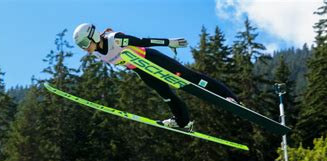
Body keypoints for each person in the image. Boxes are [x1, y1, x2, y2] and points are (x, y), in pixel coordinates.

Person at [73, 23, 239, 129]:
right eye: (81, 46)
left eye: (85, 43)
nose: (85, 48)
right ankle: (182, 122)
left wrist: (169, 42)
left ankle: (229, 97)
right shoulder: (96, 53)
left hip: (151, 59)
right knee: (166, 95)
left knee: (190, 78)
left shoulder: (115, 39)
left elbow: (143, 41)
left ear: (93, 36)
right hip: (141, 70)